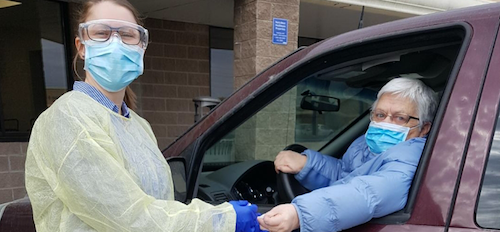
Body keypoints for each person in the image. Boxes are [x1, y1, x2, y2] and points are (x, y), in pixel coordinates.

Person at [24, 0, 261, 231]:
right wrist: (222, 220)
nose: (115, 43)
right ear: (82, 47)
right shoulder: (67, 118)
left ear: (141, 46)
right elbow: (128, 217)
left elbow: (159, 208)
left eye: (127, 35)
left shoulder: (138, 125)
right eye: (101, 33)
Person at [258, 77, 438, 232]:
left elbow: (366, 194)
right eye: (380, 114)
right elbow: (345, 175)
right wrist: (307, 164)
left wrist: (300, 214)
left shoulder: (412, 158)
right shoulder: (367, 144)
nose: (385, 123)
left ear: (424, 128)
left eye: (400, 118)